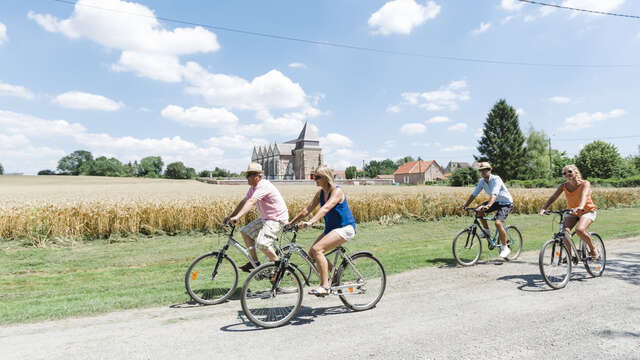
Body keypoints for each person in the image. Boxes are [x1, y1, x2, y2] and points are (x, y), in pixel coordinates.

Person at [288, 165, 356, 296]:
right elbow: (306, 210)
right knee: (312, 253)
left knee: (317, 249)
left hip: (345, 228)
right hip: (331, 229)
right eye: (313, 176)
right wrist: (291, 223)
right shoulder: (320, 193)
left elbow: (326, 208)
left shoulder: (337, 191)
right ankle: (335, 273)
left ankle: (325, 286)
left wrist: (310, 222)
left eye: (317, 177)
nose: (314, 179)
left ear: (326, 178)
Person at [224, 162, 289, 272]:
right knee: (245, 232)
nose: (247, 178)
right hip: (266, 218)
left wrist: (238, 217)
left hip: (276, 218)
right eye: (247, 175)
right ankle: (255, 263)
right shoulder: (253, 188)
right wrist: (231, 216)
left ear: (257, 177)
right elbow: (244, 202)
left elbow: (251, 201)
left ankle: (280, 267)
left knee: (262, 244)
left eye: (249, 175)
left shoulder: (263, 185)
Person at [538, 164, 599, 259]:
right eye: (564, 173)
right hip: (573, 212)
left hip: (587, 211)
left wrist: (581, 206)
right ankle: (569, 256)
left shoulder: (585, 183)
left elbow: (585, 195)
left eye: (569, 171)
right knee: (564, 232)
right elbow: (553, 197)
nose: (567, 174)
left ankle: (593, 249)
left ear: (575, 172)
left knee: (579, 230)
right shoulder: (563, 186)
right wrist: (544, 208)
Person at [461, 162, 514, 258]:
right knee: (478, 210)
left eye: (485, 170)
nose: (483, 172)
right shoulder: (482, 181)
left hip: (506, 203)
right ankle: (487, 231)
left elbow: (494, 194)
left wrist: (488, 206)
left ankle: (505, 247)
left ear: (490, 170)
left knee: (498, 223)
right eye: (481, 170)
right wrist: (465, 206)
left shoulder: (496, 179)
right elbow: (474, 194)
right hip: (496, 202)